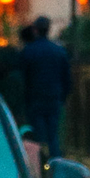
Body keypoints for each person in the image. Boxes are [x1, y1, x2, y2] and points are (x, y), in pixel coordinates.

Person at [15, 19, 72, 159]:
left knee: (38, 135)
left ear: (35, 30)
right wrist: (62, 97)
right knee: (53, 135)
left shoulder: (28, 51)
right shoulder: (59, 51)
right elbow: (67, 78)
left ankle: (41, 165)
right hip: (54, 98)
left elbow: (22, 78)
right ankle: (55, 164)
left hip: (35, 99)